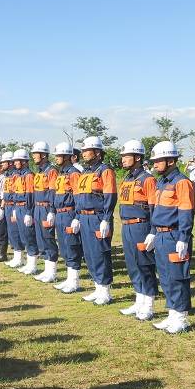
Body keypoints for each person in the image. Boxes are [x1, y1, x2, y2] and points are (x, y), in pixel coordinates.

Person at [147, 141, 195, 334]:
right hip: (160, 235)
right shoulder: (162, 182)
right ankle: (172, 314)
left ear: (170, 161)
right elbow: (157, 211)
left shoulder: (182, 182)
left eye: (158, 160)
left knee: (178, 277)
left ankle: (181, 317)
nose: (155, 164)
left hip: (175, 235)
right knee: (165, 277)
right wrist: (152, 231)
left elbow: (186, 211)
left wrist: (183, 237)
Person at [115, 140, 159, 321]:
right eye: (123, 156)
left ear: (138, 157)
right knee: (132, 264)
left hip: (141, 225)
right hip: (127, 226)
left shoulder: (148, 179)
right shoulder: (127, 178)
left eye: (127, 156)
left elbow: (154, 207)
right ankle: (139, 299)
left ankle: (148, 303)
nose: (123, 159)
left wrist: (153, 230)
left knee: (145, 264)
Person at [75, 137, 118, 306]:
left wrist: (106, 218)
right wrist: (78, 216)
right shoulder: (86, 172)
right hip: (84, 216)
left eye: (87, 150)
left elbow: (110, 194)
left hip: (98, 217)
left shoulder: (105, 170)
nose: (84, 153)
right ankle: (97, 287)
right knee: (89, 253)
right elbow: (79, 197)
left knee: (100, 253)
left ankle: (105, 290)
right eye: (83, 151)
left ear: (97, 153)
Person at [51, 142, 84, 294]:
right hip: (60, 213)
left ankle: (75, 281)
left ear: (67, 157)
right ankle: (69, 279)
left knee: (72, 246)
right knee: (64, 247)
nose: (56, 158)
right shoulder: (61, 173)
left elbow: (78, 196)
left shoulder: (74, 173)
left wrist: (77, 216)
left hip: (70, 213)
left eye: (59, 155)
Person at [31, 141, 60, 283]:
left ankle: (53, 272)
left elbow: (53, 191)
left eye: (35, 154)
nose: (34, 156)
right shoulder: (40, 171)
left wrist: (51, 210)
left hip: (46, 208)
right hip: (38, 207)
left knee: (48, 238)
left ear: (43, 155)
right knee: (41, 239)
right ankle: (47, 269)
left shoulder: (51, 171)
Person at [9, 149, 39, 275]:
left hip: (26, 208)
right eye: (15, 160)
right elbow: (16, 193)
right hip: (19, 207)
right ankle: (28, 262)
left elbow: (30, 195)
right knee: (23, 236)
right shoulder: (18, 175)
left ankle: (32, 264)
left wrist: (29, 212)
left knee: (29, 236)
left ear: (24, 161)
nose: (15, 163)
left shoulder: (28, 175)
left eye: (18, 160)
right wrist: (15, 208)